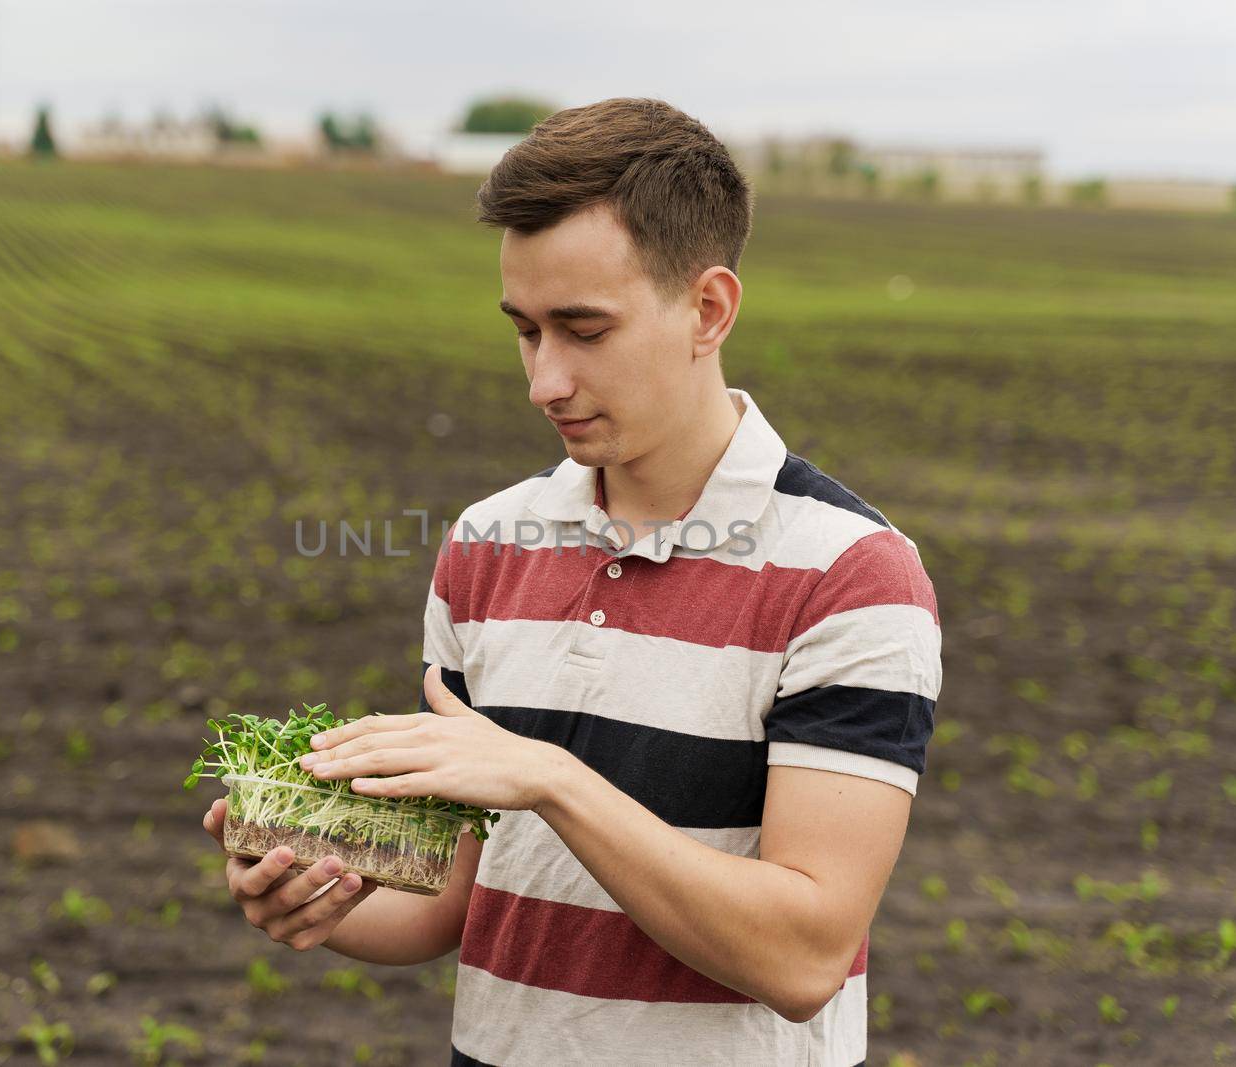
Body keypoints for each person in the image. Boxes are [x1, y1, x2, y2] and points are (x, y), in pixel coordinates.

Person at [201, 95, 941, 1067]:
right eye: (525, 330)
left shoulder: (849, 574)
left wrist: (549, 778)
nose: (542, 380)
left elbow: (802, 953)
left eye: (583, 330)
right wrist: (318, 893)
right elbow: (459, 898)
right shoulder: (486, 542)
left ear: (708, 310)